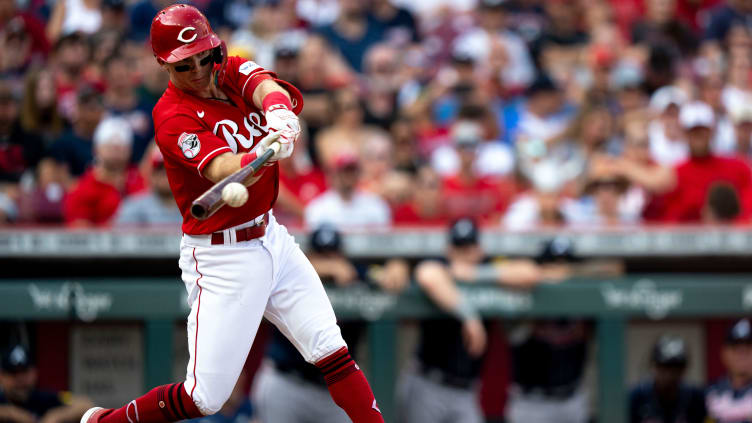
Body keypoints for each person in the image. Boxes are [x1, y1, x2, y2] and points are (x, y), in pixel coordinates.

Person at [81, 5, 384, 423]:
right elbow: (222, 169)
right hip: (222, 256)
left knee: (331, 348)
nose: (201, 70)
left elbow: (261, 83)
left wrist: (278, 112)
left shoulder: (226, 69)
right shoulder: (170, 117)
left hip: (271, 236)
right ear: (165, 65)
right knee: (205, 398)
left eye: (206, 57)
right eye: (186, 65)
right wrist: (257, 154)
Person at [254, 224, 408, 423]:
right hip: (287, 381)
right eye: (322, 255)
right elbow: (276, 266)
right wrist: (327, 267)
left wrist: (397, 265)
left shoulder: (355, 274)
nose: (330, 260)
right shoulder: (290, 273)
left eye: (333, 254)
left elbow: (383, 274)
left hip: (333, 391)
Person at [397, 218, 544, 423]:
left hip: (467, 390)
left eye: (469, 247)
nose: (465, 253)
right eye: (459, 248)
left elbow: (530, 273)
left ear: (479, 248)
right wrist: (469, 316)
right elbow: (427, 275)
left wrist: (476, 273)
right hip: (428, 383)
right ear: (449, 249)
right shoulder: (441, 266)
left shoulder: (487, 269)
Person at [662, 101, 752, 222]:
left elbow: (748, 212)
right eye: (693, 131)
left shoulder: (738, 167)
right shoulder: (674, 173)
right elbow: (669, 220)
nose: (698, 136)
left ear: (712, 132)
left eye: (702, 131)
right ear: (684, 133)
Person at [63, 116, 145, 226]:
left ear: (129, 149)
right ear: (96, 148)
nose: (116, 148)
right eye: (109, 144)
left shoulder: (141, 180)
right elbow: (79, 234)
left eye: (122, 145)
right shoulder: (82, 189)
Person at [0, 344, 92, 423]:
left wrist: (56, 416)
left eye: (24, 372)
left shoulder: (45, 398)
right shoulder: (2, 401)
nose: (20, 379)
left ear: (34, 373)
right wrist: (11, 413)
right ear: (1, 376)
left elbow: (85, 404)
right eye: (13, 373)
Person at [629, 335, 707, 423]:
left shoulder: (695, 397)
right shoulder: (637, 397)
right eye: (665, 367)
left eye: (676, 367)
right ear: (654, 366)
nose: (670, 374)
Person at [304, 152, 391, 229]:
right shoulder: (318, 208)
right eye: (344, 171)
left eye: (352, 170)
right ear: (334, 174)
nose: (348, 176)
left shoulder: (375, 205)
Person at [113, 148, 182, 226]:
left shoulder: (194, 208)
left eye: (172, 170)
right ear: (151, 175)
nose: (166, 175)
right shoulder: (133, 207)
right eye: (160, 170)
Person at [706, 318, 752, 423]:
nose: (742, 354)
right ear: (724, 353)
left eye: (748, 348)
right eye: (735, 348)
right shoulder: (709, 393)